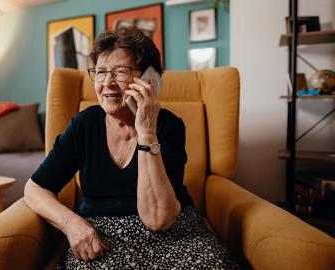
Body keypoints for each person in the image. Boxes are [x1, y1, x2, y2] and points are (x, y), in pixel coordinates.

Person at [24, 27, 238, 269]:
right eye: (101, 72)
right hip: (103, 236)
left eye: (120, 72)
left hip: (175, 234)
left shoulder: (169, 126)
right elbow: (35, 189)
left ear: (149, 80)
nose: (107, 83)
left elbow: (158, 220)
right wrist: (71, 223)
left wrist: (147, 131)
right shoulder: (85, 125)